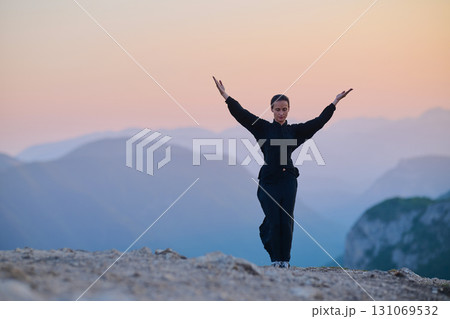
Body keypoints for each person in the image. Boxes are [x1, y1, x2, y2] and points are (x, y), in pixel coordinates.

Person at [213, 76, 352, 268]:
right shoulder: (262, 128)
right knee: (273, 219)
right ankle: (274, 259)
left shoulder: (295, 132)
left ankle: (284, 261)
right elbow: (242, 114)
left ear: (288, 110)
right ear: (271, 110)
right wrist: (225, 95)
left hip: (288, 180)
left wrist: (334, 102)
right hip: (268, 180)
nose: (281, 113)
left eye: (284, 109)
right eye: (277, 109)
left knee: (286, 220)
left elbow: (319, 122)